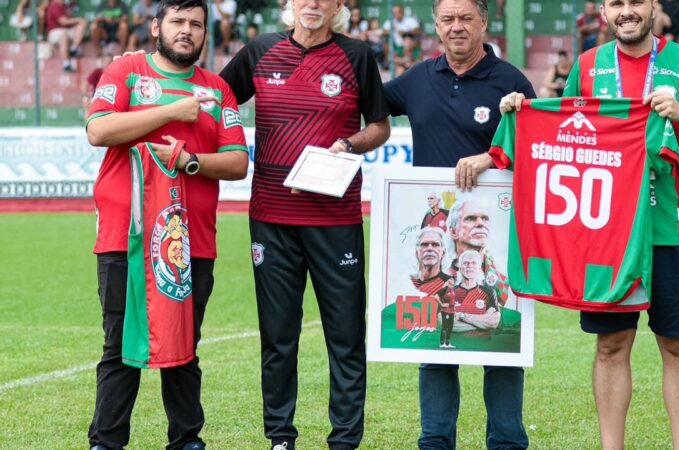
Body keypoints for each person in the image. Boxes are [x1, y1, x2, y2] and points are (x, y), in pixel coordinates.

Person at [502, 0, 679, 448]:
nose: (626, 11)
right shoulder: (588, 65)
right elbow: (565, 131)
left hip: (673, 230)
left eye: (635, 2)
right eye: (616, 4)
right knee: (610, 346)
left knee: (677, 346)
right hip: (608, 235)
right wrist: (522, 109)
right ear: (604, 13)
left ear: (653, 7)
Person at [218, 1, 391, 449]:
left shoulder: (356, 55)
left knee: (346, 338)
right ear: (289, 4)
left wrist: (348, 144)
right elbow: (213, 97)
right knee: (278, 338)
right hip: (271, 219)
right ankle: (280, 438)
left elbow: (379, 127)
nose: (312, 3)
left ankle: (344, 441)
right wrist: (147, 69)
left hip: (336, 221)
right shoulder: (259, 51)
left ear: (337, 6)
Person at [84, 0, 249, 448]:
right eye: (177, 21)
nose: (186, 30)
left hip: (190, 240)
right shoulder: (126, 72)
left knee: (185, 345)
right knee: (119, 344)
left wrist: (190, 161)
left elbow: (238, 162)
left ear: (205, 33)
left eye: (196, 24)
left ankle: (187, 440)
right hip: (126, 235)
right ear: (156, 26)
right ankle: (106, 441)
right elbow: (98, 130)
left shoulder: (217, 90)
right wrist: (171, 112)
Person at [383, 0, 535, 447]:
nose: (457, 27)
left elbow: (537, 145)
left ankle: (507, 442)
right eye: (447, 19)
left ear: (484, 23)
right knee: (436, 344)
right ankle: (434, 442)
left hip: (499, 236)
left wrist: (491, 157)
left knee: (502, 347)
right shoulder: (417, 79)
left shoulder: (510, 82)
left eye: (466, 18)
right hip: (443, 235)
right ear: (435, 25)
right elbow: (366, 105)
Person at [45, 0, 88, 72]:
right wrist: (78, 19)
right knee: (63, 35)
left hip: (66, 30)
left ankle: (74, 48)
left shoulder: (65, 5)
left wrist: (79, 21)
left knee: (81, 24)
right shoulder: (54, 5)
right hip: (55, 32)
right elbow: (63, 21)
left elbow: (69, 21)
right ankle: (66, 63)